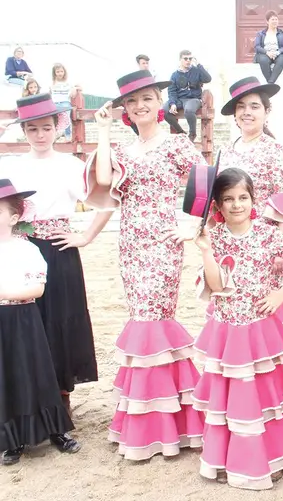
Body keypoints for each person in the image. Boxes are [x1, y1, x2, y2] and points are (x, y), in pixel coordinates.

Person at [85, 70, 206, 461]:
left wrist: (191, 223)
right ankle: (149, 416)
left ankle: (167, 421)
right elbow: (105, 184)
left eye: (147, 99)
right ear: (126, 110)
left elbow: (204, 182)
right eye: (132, 102)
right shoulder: (121, 151)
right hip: (130, 245)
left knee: (155, 320)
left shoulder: (176, 144)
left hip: (164, 243)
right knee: (141, 320)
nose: (140, 107)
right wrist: (102, 131)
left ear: (160, 102)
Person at [192, 168, 283, 489]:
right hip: (228, 331)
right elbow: (216, 286)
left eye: (242, 197)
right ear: (217, 204)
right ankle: (227, 458)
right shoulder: (213, 238)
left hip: (259, 331)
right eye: (228, 199)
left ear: (252, 199)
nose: (236, 205)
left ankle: (270, 457)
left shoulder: (268, 234)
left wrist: (282, 292)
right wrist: (205, 251)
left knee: (261, 394)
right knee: (230, 395)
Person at [0, 94, 113, 418]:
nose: (39, 134)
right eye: (32, 128)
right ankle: (27, 398)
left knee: (59, 321)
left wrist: (85, 235)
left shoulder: (71, 164)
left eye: (46, 127)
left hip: (59, 250)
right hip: (18, 250)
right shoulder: (10, 165)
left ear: (57, 128)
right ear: (24, 130)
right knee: (22, 321)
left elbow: (106, 201)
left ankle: (61, 396)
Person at [0, 179, 81, 466]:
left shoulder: (27, 250)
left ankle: (56, 431)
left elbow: (37, 289)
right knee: (6, 375)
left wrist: (5, 293)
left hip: (24, 317)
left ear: (13, 217)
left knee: (37, 370)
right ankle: (12, 440)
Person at [218, 77, 283, 236]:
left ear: (266, 112)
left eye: (254, 107)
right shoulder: (224, 150)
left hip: (262, 240)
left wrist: (280, 249)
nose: (247, 112)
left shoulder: (276, 151)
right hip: (227, 238)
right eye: (241, 107)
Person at [166, 49, 212, 141]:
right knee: (164, 111)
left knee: (189, 110)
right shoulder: (174, 75)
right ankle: (180, 131)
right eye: (185, 58)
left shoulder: (196, 71)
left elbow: (208, 79)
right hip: (179, 99)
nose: (188, 61)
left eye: (190, 59)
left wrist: (198, 64)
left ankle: (192, 134)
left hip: (193, 99)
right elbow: (171, 91)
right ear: (180, 60)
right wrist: (172, 103)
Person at [254, 10, 283, 84]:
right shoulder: (260, 34)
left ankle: (270, 83)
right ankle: (271, 83)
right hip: (265, 54)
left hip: (279, 54)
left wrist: (277, 52)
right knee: (263, 60)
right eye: (272, 19)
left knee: (282, 59)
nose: (275, 21)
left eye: (276, 19)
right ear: (267, 21)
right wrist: (267, 52)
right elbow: (257, 46)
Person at [49, 64, 78, 140]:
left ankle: (68, 135)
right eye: (57, 72)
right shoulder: (52, 83)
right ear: (54, 73)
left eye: (61, 71)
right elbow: (49, 93)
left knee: (66, 118)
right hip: (55, 103)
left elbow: (74, 93)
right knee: (55, 119)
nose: (60, 73)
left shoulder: (68, 82)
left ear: (64, 72)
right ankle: (55, 134)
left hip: (65, 102)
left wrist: (74, 89)